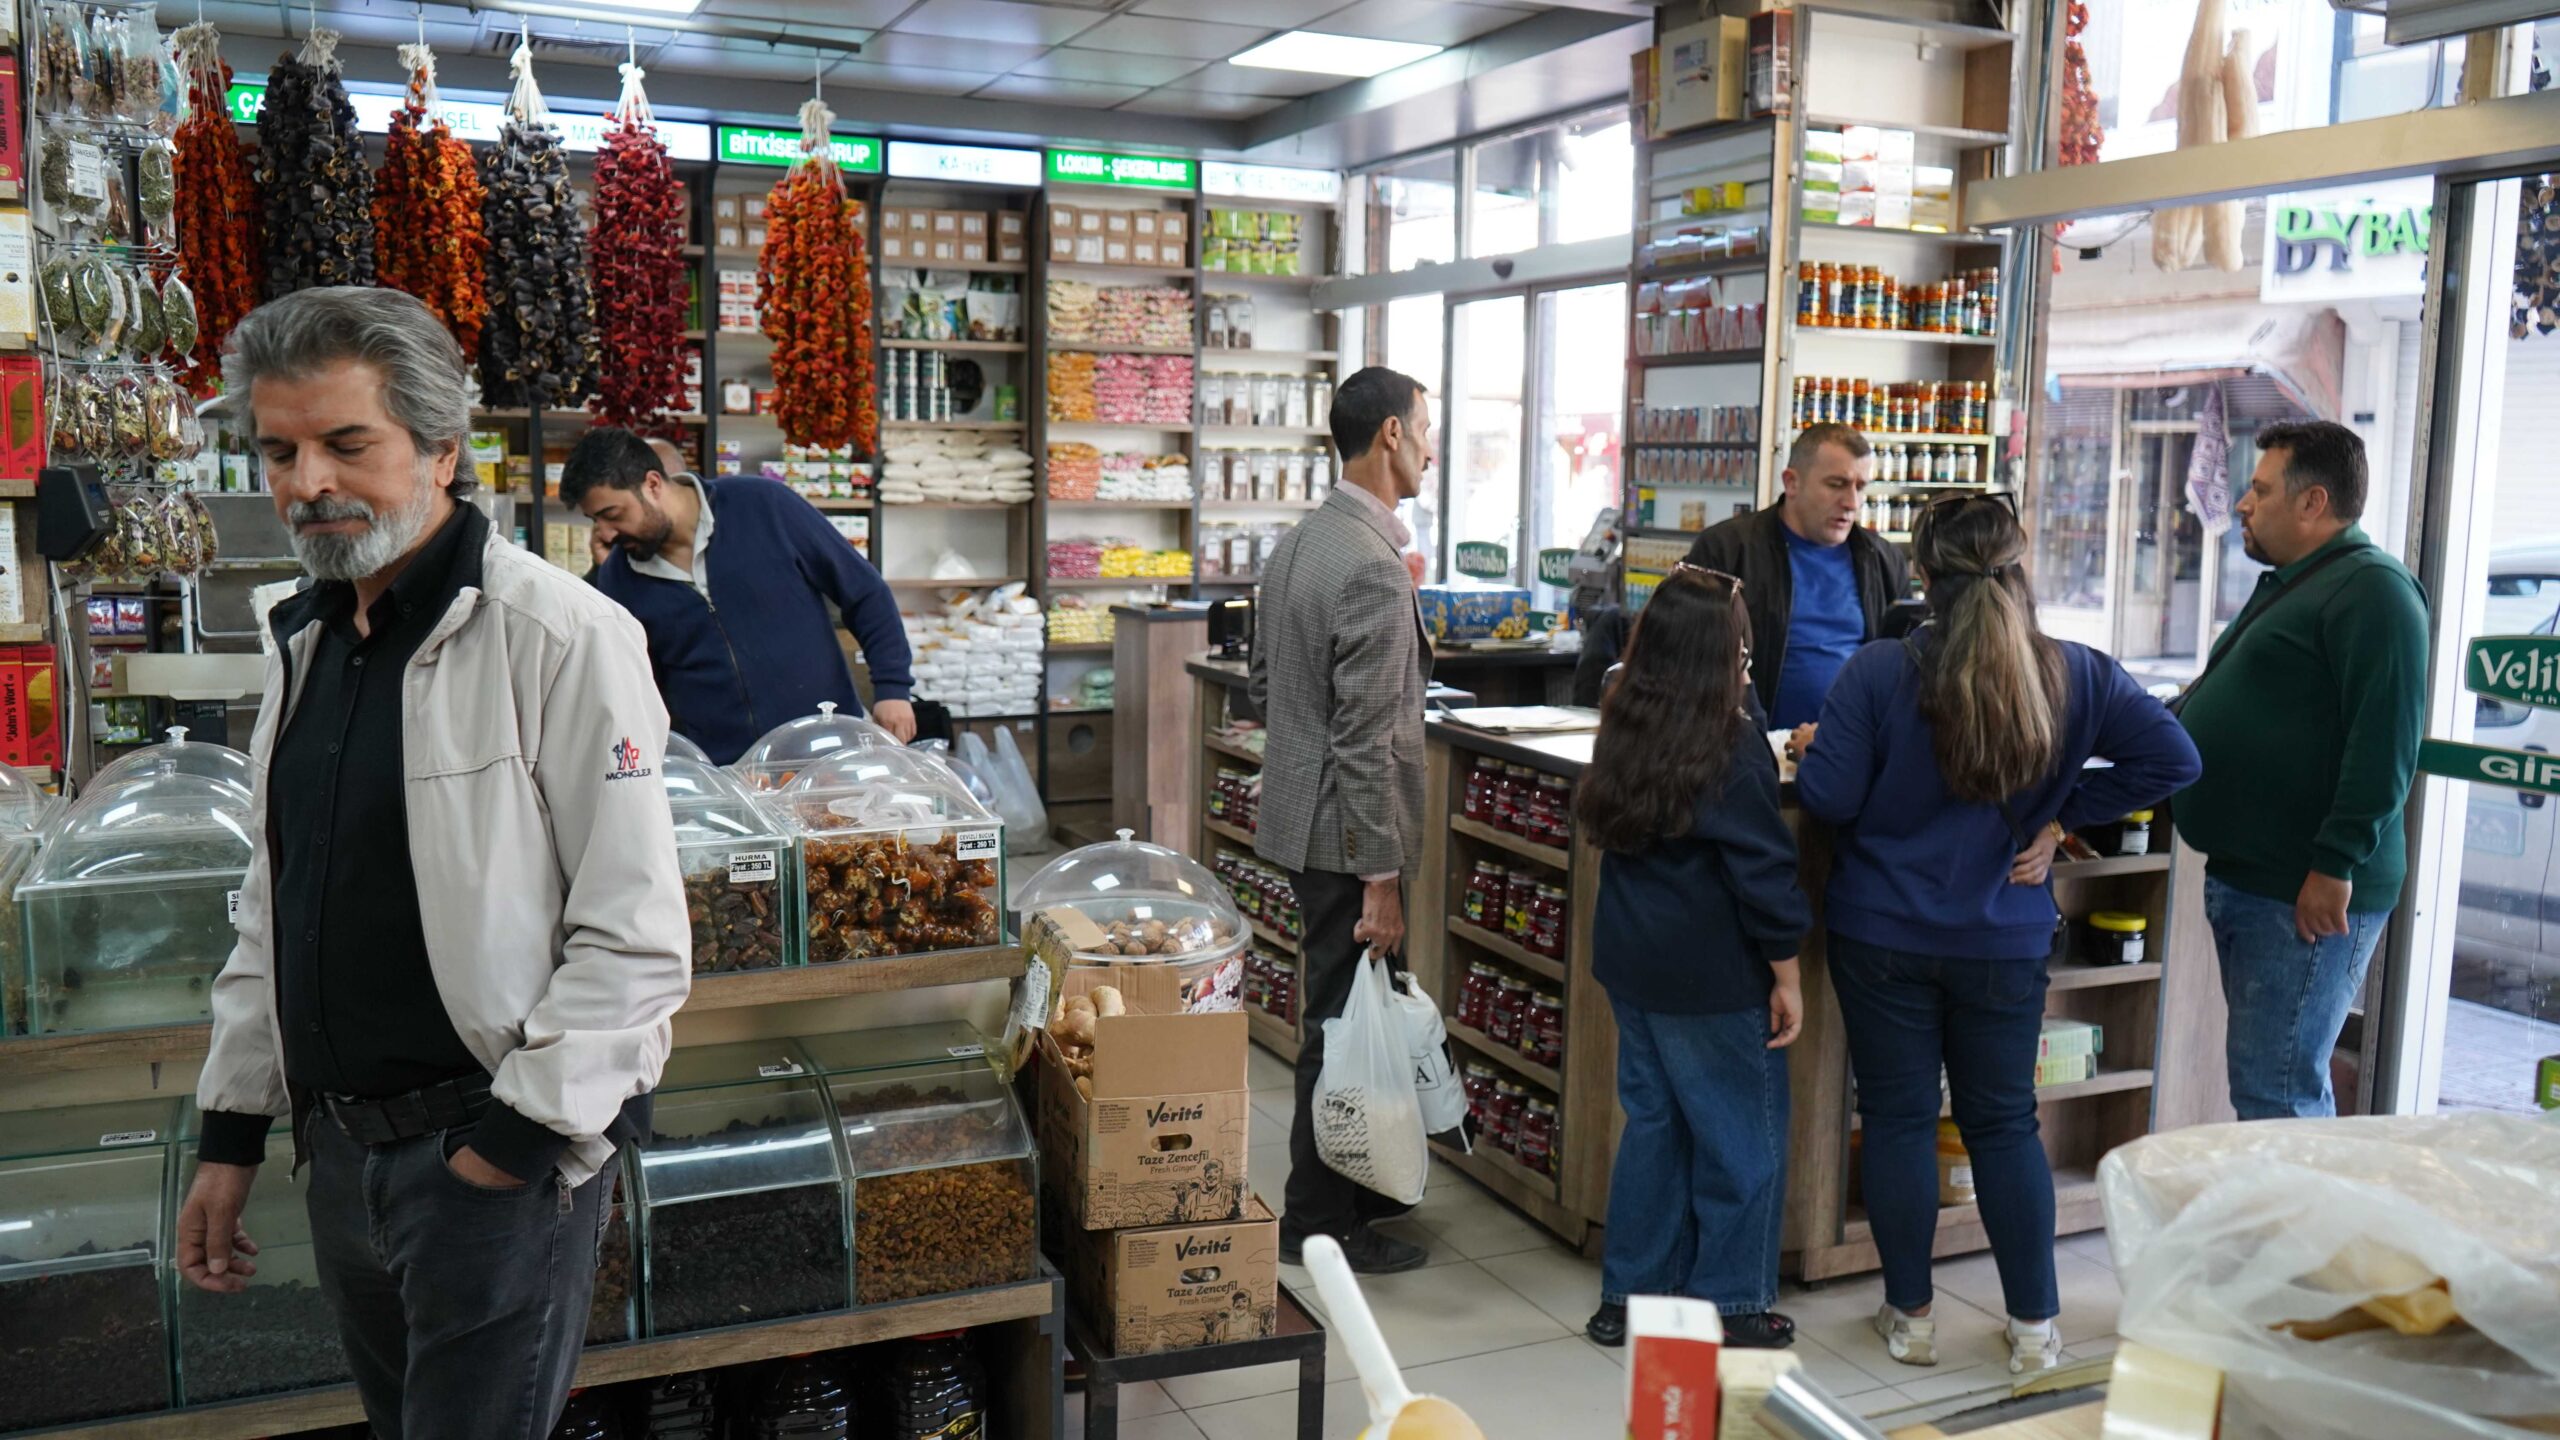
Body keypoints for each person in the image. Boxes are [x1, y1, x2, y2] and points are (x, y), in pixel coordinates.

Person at [175, 287, 692, 1440]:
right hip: (343, 1151)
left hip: (488, 1153)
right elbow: (277, 905)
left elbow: (635, 933)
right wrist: (231, 1131)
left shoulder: (557, 634)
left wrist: (509, 1151)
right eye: (279, 450)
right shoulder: (304, 640)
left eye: (347, 444)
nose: (308, 482)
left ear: (441, 449)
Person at [1794, 495, 2198, 1376]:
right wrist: (2058, 816)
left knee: (1898, 1120)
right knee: (2005, 1126)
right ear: (2020, 572)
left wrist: (1829, 747)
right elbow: (2174, 760)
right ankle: (2033, 1330)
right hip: (2004, 940)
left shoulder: (1876, 672)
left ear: (1924, 577)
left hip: (1882, 933)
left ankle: (1912, 1320)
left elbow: (1827, 801)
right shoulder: (2077, 674)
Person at [1573, 566, 1808, 1351]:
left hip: (1633, 963)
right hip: (1711, 975)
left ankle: (1628, 1298)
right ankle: (1731, 1302)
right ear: (1726, 650)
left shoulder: (1624, 713)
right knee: (1742, 1139)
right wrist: (1787, 974)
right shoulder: (1731, 737)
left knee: (1656, 1130)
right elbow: (1764, 874)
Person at [2173, 421, 2427, 1120]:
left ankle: (2299, 1233)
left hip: (2302, 893)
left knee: (2278, 1090)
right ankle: (2281, 1230)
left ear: (2313, 503)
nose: (2244, 505)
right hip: (2253, 879)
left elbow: (2386, 745)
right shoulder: (2302, 583)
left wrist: (2334, 865)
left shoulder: (2374, 592)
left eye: (2259, 490)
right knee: (2265, 1084)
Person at [1250, 365, 1434, 1275]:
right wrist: (1383, 879)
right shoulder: (1368, 563)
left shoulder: (1298, 543)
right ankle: (1319, 1222)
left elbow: (1263, 686)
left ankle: (1347, 1198)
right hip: (1346, 837)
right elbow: (1366, 742)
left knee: (1338, 1016)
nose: (1432, 447)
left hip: (1297, 819)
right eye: (1426, 428)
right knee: (1342, 1028)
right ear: (1391, 435)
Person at [563, 426, 916, 763]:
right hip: (722, 775)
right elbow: (635, 687)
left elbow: (864, 592)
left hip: (826, 752)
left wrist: (893, 688)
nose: (605, 533)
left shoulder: (764, 506)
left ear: (653, 485)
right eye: (595, 520)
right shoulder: (618, 579)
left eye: (613, 514)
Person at [1682, 421, 1910, 731]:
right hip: (1746, 749)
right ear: (1792, 482)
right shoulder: (1727, 550)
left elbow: (1899, 670)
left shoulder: (1883, 560)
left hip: (1849, 754)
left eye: (1860, 487)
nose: (1851, 503)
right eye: (1836, 484)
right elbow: (1685, 658)